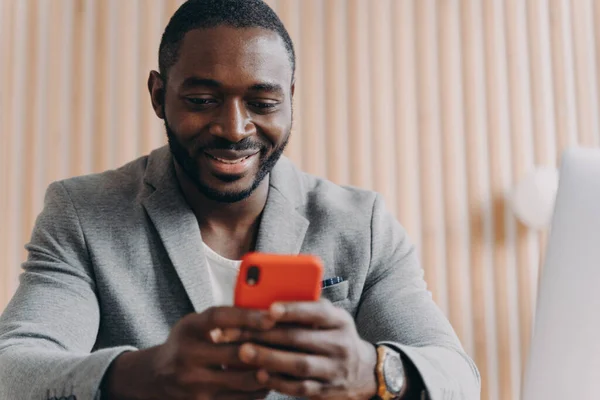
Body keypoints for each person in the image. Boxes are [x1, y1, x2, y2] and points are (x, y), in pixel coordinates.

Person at [0, 1, 480, 399]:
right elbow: (12, 369)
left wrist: (370, 371)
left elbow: (456, 376)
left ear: (290, 97)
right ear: (158, 95)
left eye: (263, 103)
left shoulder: (362, 223)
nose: (234, 129)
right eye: (202, 100)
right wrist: (145, 373)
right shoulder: (83, 213)